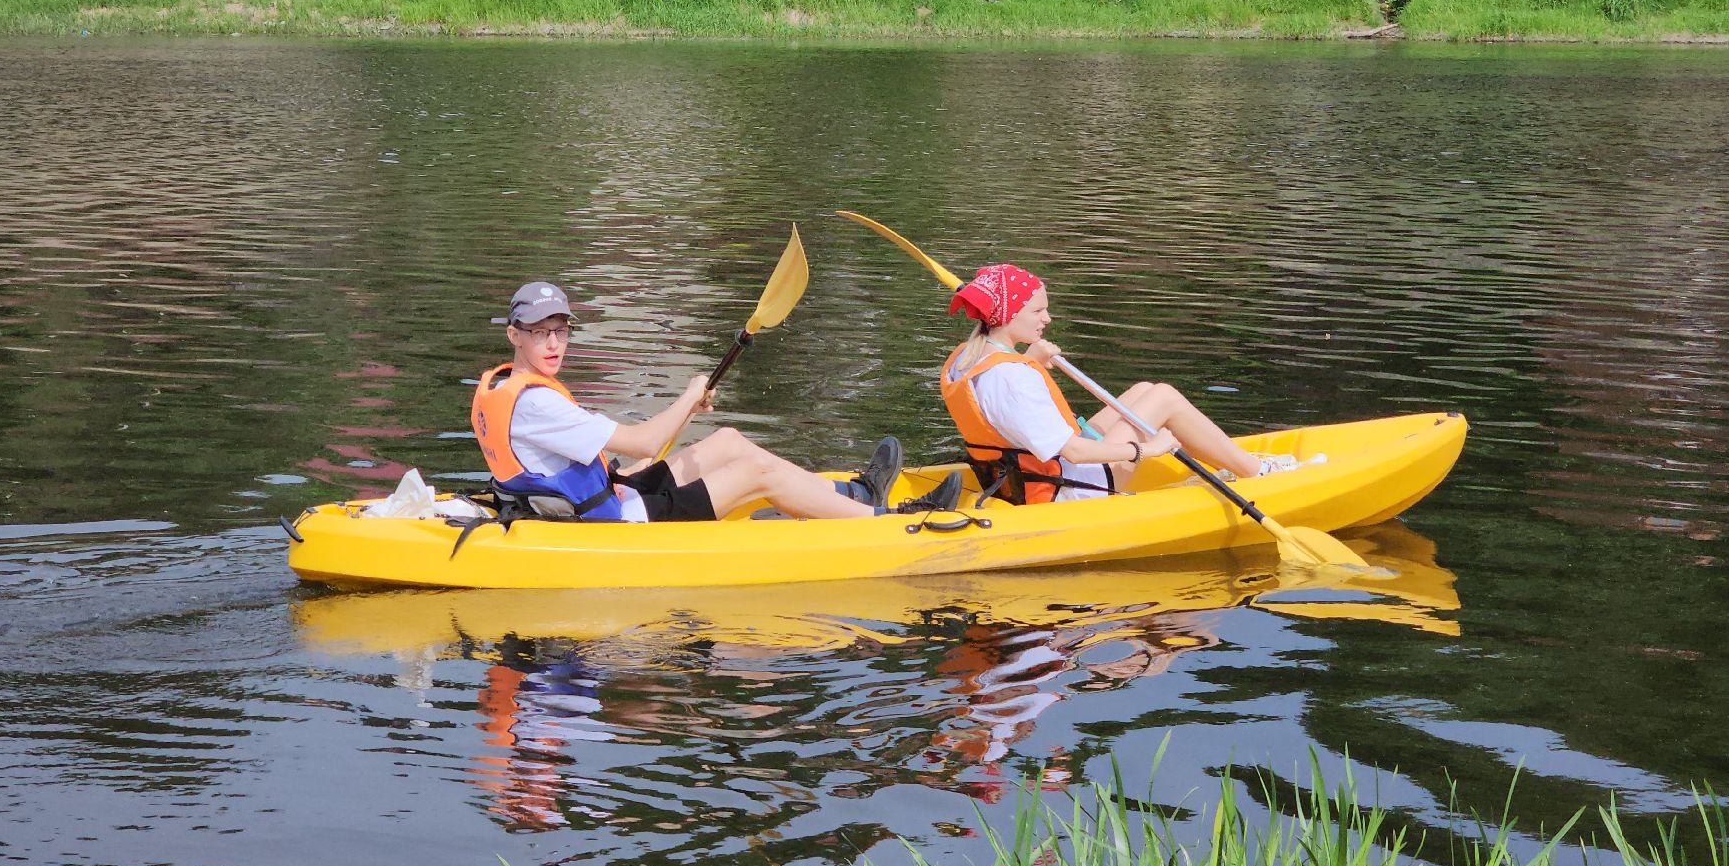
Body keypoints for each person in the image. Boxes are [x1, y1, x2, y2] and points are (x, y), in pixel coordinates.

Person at [473, 282, 959, 522]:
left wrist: (686, 409)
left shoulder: (505, 386)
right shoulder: (537, 404)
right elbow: (645, 442)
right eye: (539, 333)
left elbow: (635, 453)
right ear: (515, 334)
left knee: (727, 440)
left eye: (560, 331)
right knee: (758, 476)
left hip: (611, 494)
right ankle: (886, 521)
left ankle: (854, 496)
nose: (553, 344)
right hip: (619, 523)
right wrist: (688, 393)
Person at [938, 264, 1316, 505]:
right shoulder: (1012, 377)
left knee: (1142, 389)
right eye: (1038, 311)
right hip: (1067, 489)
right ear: (1008, 315)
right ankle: (1257, 474)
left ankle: (1235, 460)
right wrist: (1148, 451)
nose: (1047, 319)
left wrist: (1033, 360)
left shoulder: (966, 360)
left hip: (1020, 477)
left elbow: (1002, 411)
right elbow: (1074, 453)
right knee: (1164, 396)